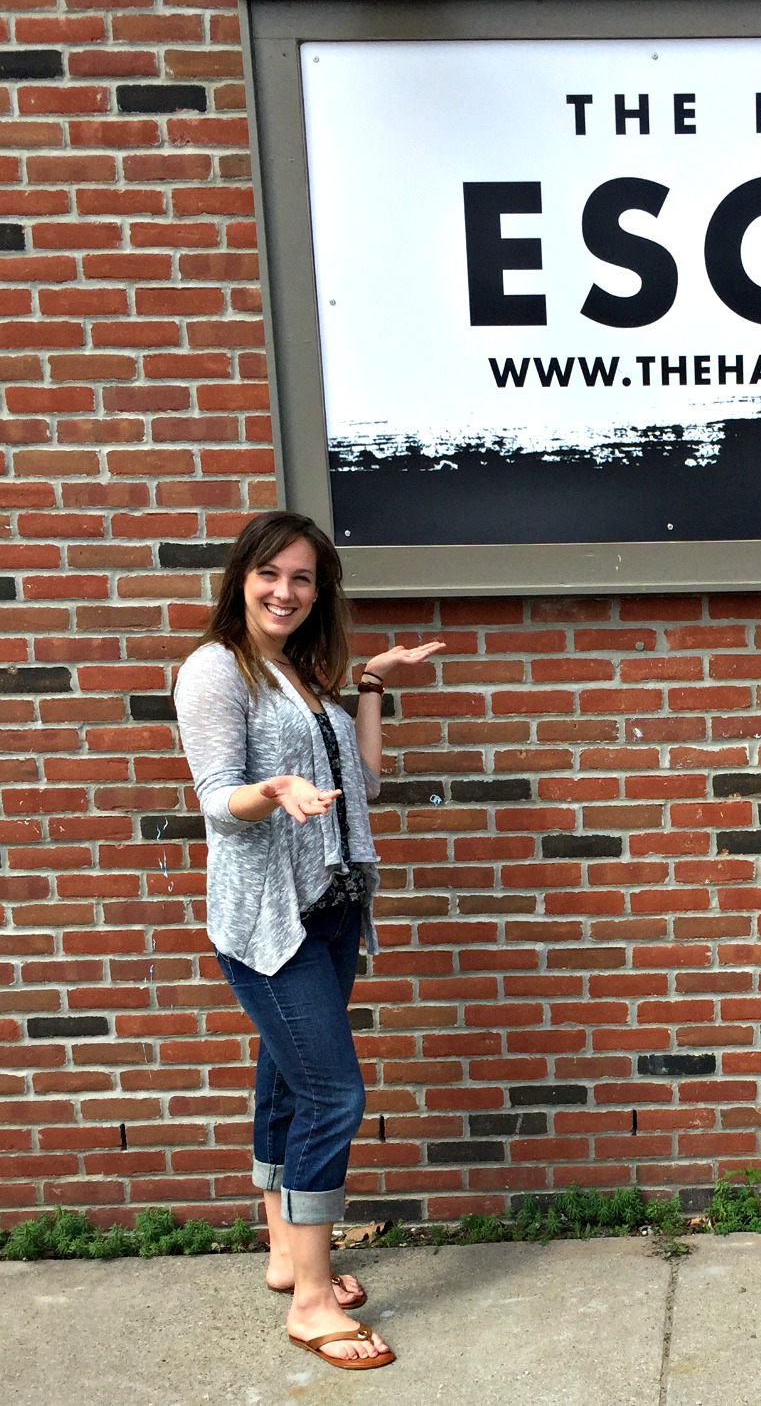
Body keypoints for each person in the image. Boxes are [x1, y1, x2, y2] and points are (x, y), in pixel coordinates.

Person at [173, 510, 443, 1371]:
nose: (285, 591)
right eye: (271, 574)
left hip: (329, 904)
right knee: (333, 1096)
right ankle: (314, 1303)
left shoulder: (295, 673)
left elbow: (360, 783)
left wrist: (368, 686)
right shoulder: (216, 670)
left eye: (302, 578)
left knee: (288, 1081)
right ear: (240, 577)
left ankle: (289, 1254)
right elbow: (217, 796)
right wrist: (272, 788)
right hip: (268, 918)